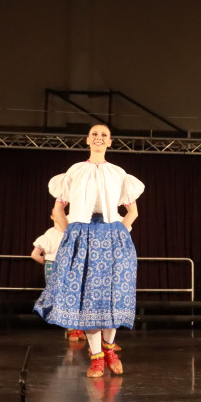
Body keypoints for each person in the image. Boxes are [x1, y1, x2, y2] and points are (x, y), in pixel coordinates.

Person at [33, 124, 144, 378]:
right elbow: (59, 208)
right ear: (87, 140)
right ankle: (96, 358)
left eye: (104, 135)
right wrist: (69, 233)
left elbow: (133, 211)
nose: (99, 138)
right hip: (82, 232)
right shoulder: (75, 170)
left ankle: (109, 349)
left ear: (110, 142)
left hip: (111, 233)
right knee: (89, 297)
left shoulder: (118, 173)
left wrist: (120, 232)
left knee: (114, 294)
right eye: (94, 134)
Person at [31, 220, 84, 342]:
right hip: (58, 265)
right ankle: (72, 329)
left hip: (64, 266)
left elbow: (34, 255)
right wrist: (48, 262)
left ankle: (74, 328)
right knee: (65, 297)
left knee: (71, 297)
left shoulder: (70, 233)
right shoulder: (51, 233)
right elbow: (35, 254)